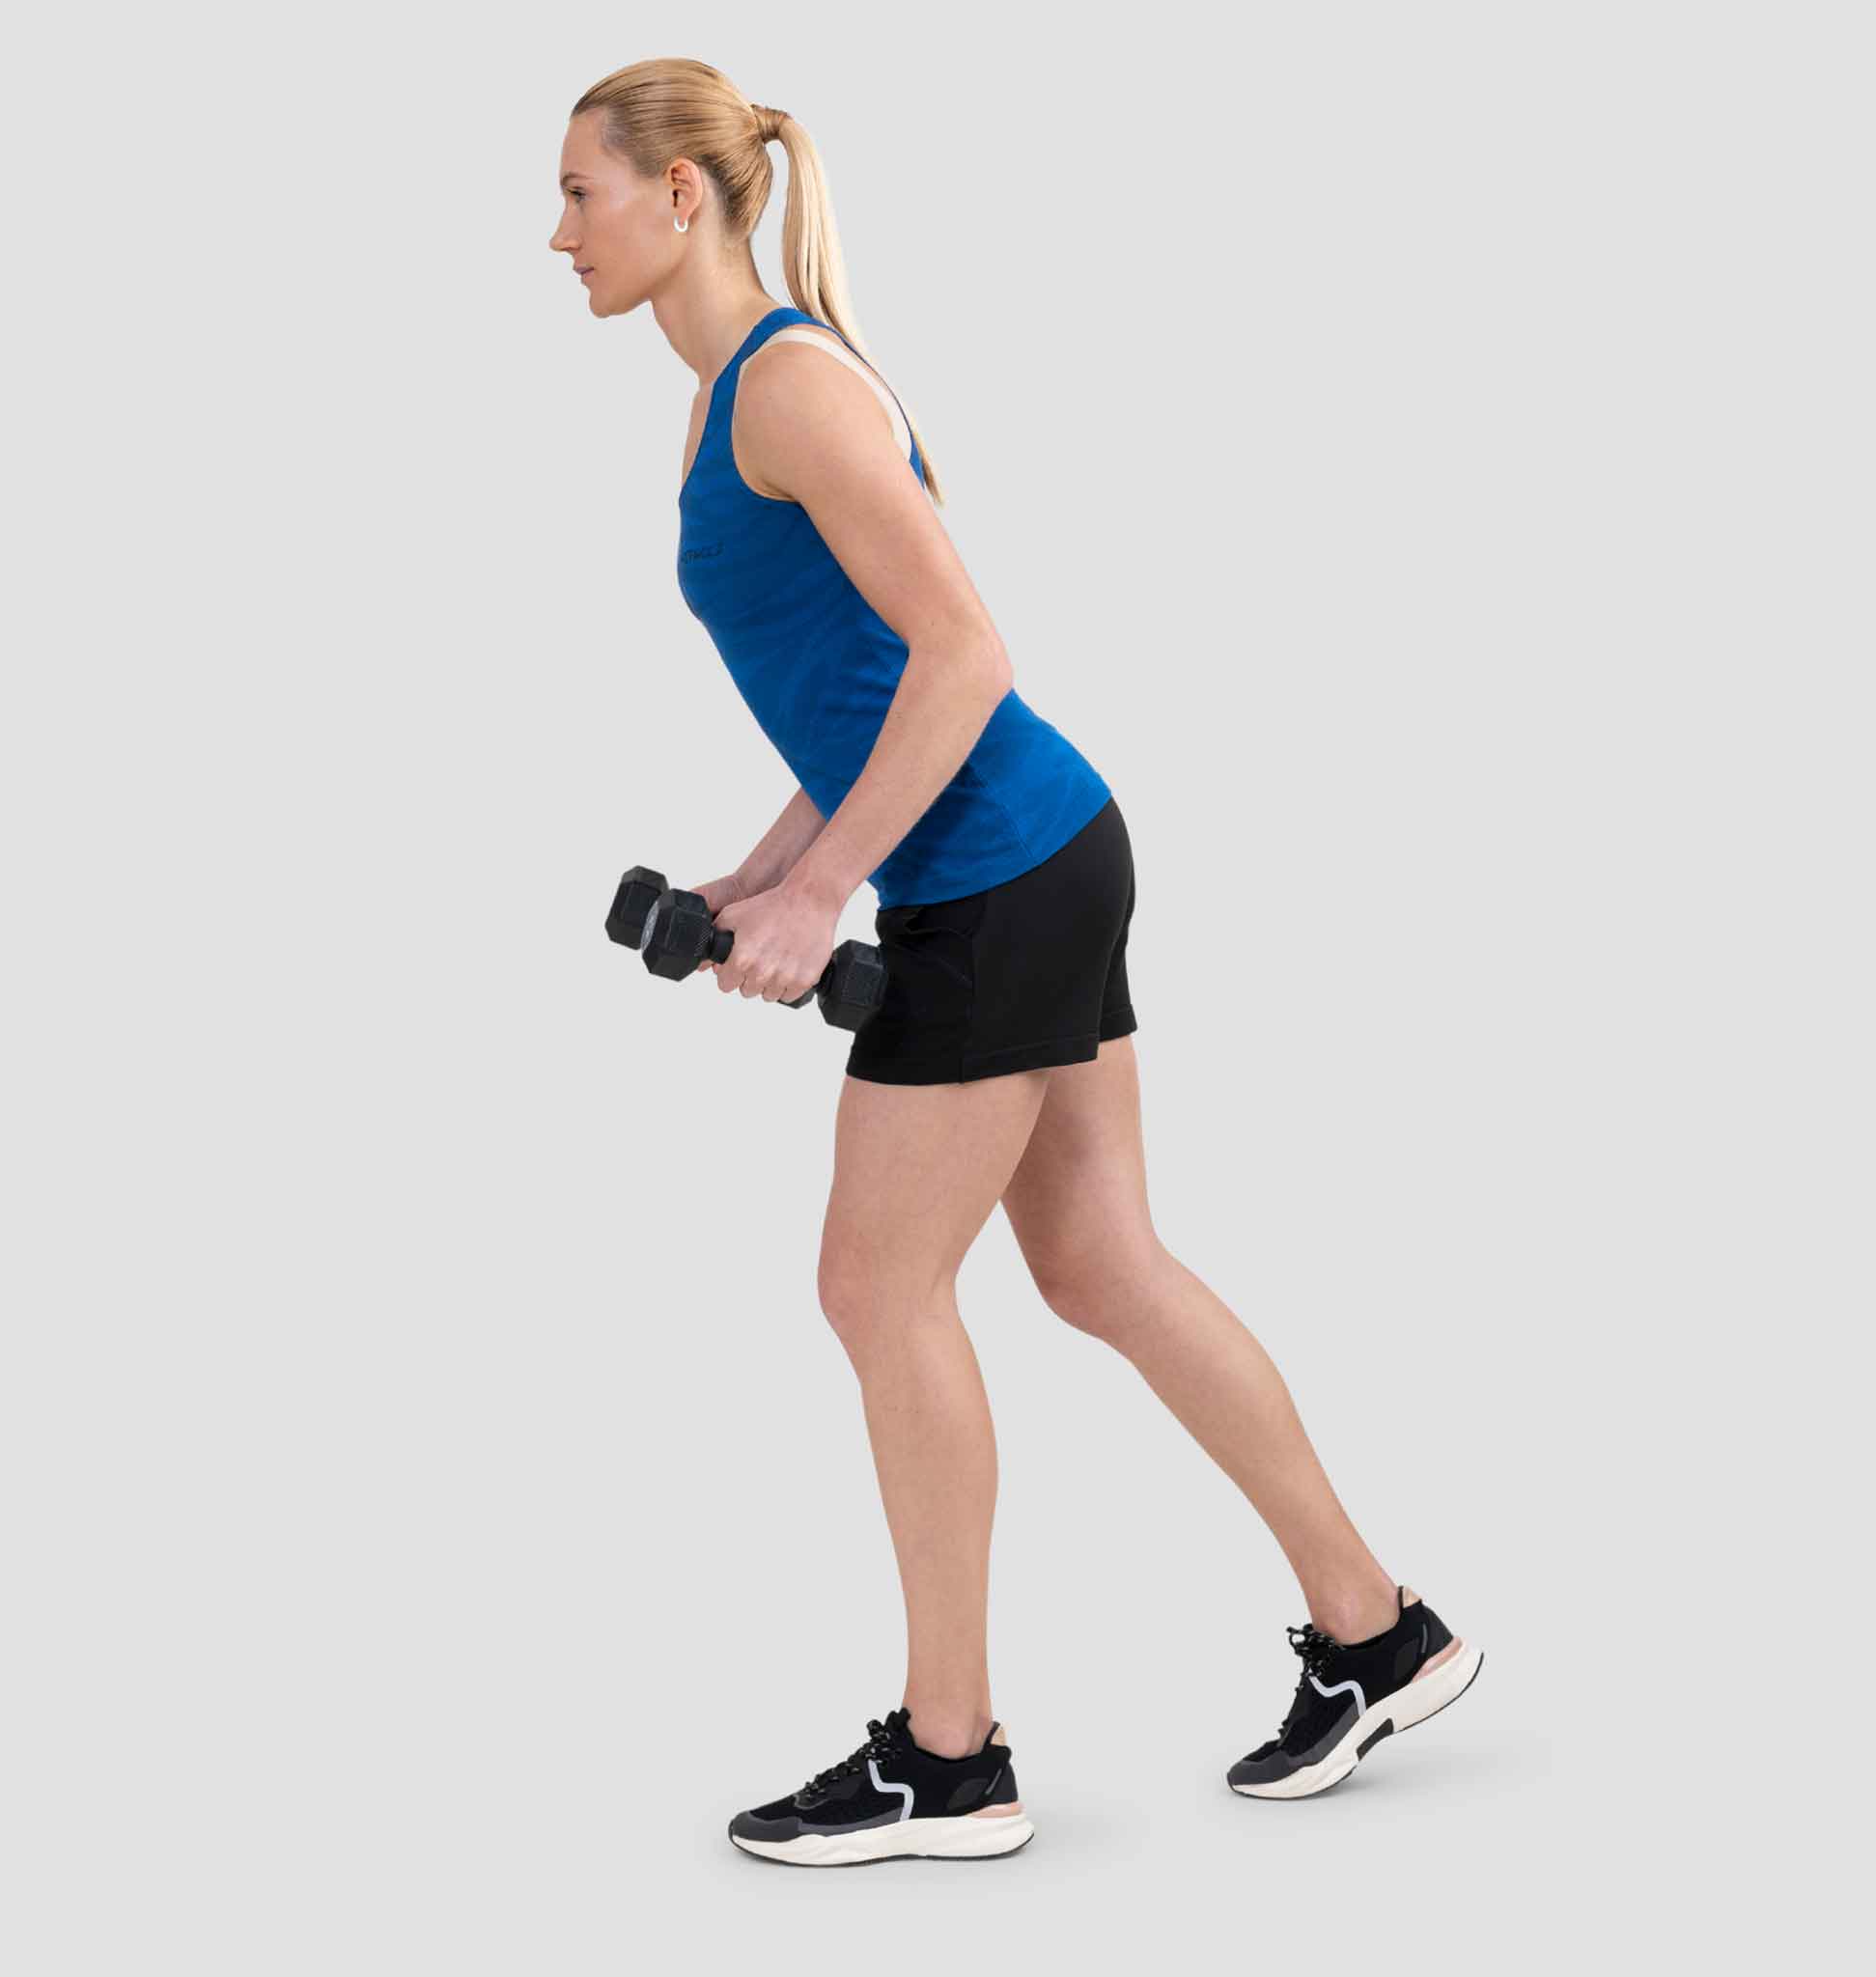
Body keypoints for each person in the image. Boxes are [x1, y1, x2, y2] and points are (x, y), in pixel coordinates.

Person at [552, 58, 1484, 1868]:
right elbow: (860, 683)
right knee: (1103, 1261)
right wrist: (766, 874)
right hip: (1033, 854)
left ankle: (949, 1759)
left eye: (581, 191)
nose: (556, 232)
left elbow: (967, 653)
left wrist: (827, 891)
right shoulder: (732, 397)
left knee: (876, 1287)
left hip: (997, 875)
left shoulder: (787, 388)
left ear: (681, 196)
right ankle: (1379, 1632)